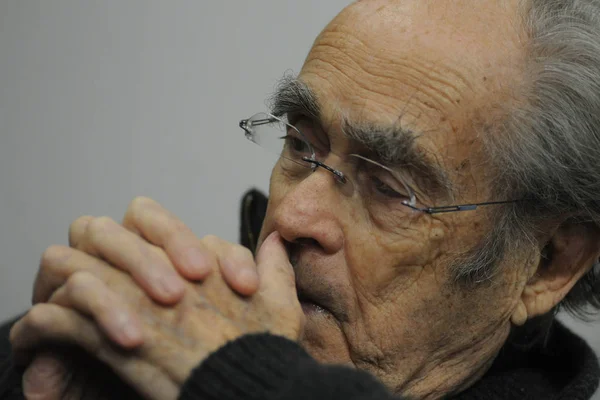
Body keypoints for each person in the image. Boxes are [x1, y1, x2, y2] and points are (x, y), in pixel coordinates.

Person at [2, 0, 600, 398]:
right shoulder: (167, 347)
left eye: (390, 189)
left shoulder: (217, 376)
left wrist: (236, 380)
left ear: (548, 263)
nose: (289, 216)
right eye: (299, 142)